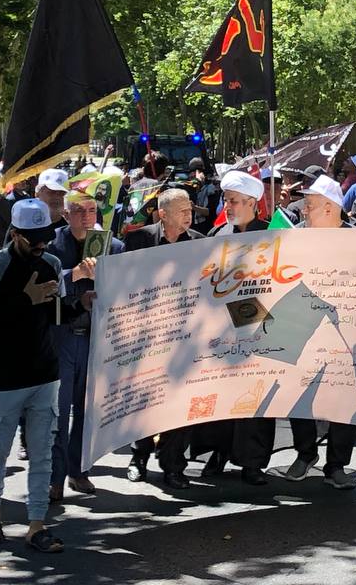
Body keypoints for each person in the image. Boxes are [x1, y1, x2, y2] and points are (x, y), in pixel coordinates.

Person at [0, 198, 70, 553]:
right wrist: (24, 299)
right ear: (15, 235)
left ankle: (36, 525)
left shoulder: (53, 263)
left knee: (42, 453)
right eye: (33, 238)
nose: (41, 244)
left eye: (45, 235)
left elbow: (57, 314)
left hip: (45, 372)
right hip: (4, 375)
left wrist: (83, 302)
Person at [277, 175, 356, 489]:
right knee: (299, 395)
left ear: (329, 208)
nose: (304, 210)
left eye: (310, 205)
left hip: (345, 334)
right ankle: (306, 453)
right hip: (302, 330)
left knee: (344, 400)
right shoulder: (295, 236)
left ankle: (337, 464)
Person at [122, 188, 205, 488]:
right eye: (182, 210)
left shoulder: (198, 242)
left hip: (184, 338)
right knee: (144, 402)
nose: (189, 215)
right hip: (145, 336)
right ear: (162, 214)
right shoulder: (138, 240)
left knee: (178, 404)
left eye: (190, 210)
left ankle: (173, 466)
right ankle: (138, 457)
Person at [48, 187, 124, 502]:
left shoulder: (113, 245)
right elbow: (45, 287)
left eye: (92, 210)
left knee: (86, 410)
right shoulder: (53, 245)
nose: (87, 216)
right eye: (79, 210)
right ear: (66, 214)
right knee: (57, 410)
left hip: (95, 337)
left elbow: (124, 287)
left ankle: (78, 471)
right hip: (62, 336)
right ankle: (53, 477)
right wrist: (74, 274)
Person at [204, 169, 271, 483]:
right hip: (222, 329)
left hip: (258, 326)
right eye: (226, 200)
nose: (227, 206)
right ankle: (218, 453)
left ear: (251, 202)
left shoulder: (271, 235)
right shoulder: (218, 236)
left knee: (256, 397)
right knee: (221, 396)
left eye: (233, 201)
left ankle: (253, 462)